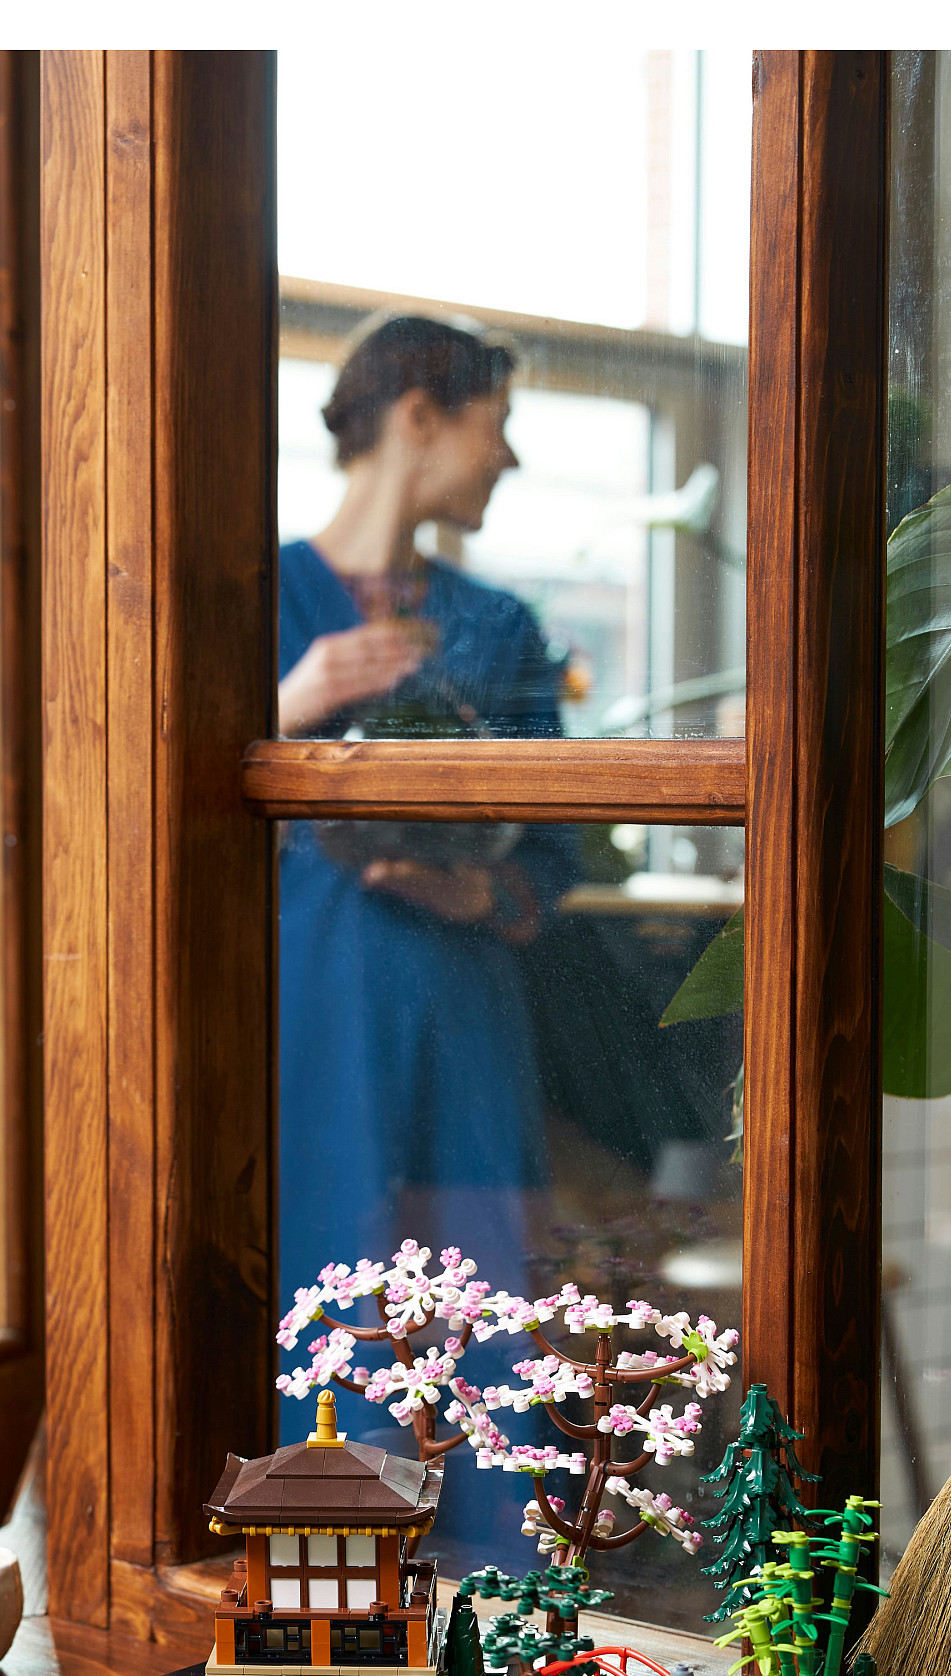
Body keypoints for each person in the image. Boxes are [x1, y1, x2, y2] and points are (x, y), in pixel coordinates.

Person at [277, 314, 581, 1569]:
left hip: (463, 1026)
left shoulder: (499, 628)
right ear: (418, 416)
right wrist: (291, 702)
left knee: (481, 1295)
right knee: (324, 1281)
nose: (506, 457)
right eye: (493, 423)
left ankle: (497, 1615)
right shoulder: (257, 601)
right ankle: (323, 1607)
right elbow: (151, 815)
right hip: (309, 1025)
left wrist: (474, 891)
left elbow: (556, 855)